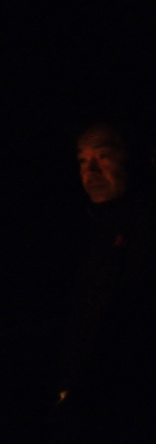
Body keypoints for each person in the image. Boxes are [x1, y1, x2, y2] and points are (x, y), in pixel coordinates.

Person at [57, 123, 152, 412]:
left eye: (103, 156)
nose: (91, 171)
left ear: (129, 159)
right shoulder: (93, 228)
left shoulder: (144, 225)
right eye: (83, 161)